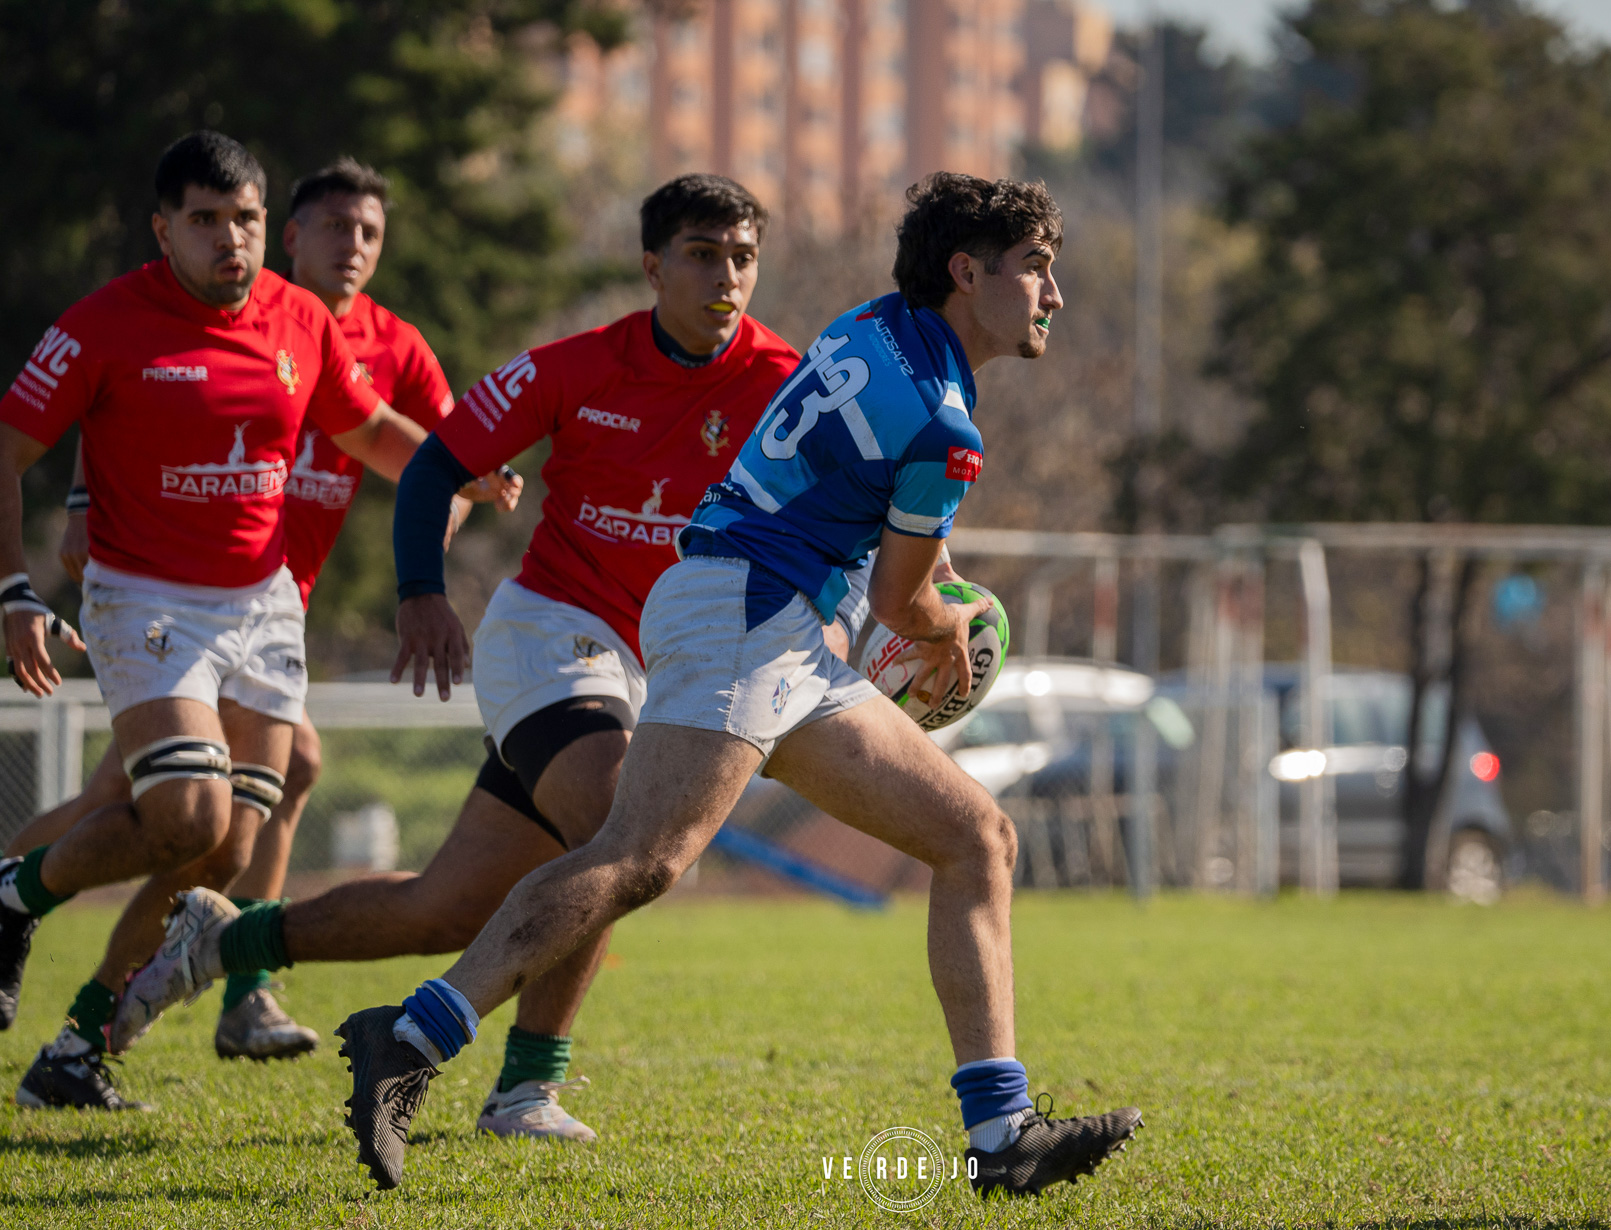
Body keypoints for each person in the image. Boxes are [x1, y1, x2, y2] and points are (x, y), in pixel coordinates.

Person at [318, 171, 1141, 1196]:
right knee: (639, 856)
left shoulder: (871, 325)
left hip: (771, 628)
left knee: (976, 836)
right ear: (968, 273)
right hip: (748, 619)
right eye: (1037, 269)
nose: (1052, 295)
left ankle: (1001, 1132)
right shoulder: (946, 429)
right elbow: (902, 600)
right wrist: (959, 625)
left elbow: (871, 562)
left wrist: (923, 613)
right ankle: (409, 1038)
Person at [118, 174, 805, 1142]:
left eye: (742, 256)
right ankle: (525, 1088)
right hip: (551, 637)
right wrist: (419, 595)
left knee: (440, 910)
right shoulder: (577, 366)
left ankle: (224, 940)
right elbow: (437, 460)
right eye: (701, 253)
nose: (726, 275)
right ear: (653, 267)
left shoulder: (786, 383)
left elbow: (853, 492)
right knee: (620, 830)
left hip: (648, 667)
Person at [0, 131, 489, 1111]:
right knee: (186, 814)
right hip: (142, 599)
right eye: (207, 221)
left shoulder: (301, 318)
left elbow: (371, 432)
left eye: (247, 220)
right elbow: (7, 448)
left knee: (220, 852)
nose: (231, 240)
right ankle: (15, 899)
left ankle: (74, 1048)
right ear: (163, 229)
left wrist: (468, 460)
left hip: (263, 607)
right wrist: (15, 592)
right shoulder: (105, 322)